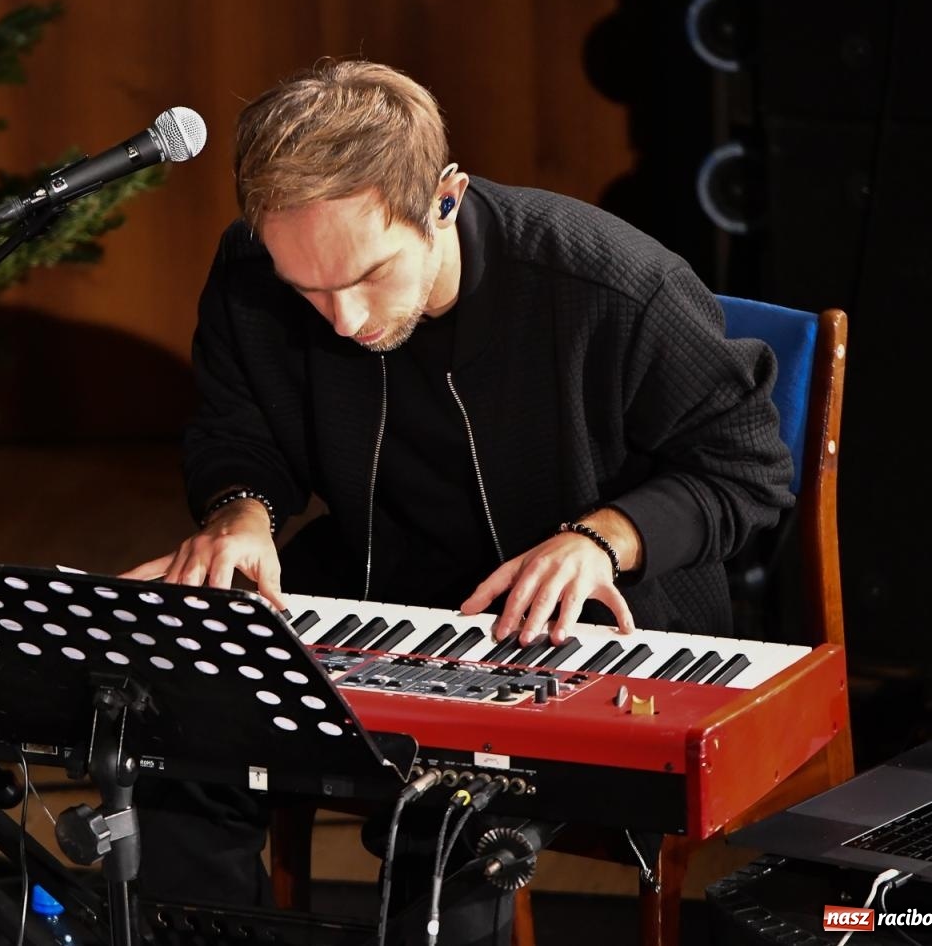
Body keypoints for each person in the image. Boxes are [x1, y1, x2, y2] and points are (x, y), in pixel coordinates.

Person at [120, 59, 795, 937]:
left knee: (444, 818)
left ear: (444, 197)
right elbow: (237, 430)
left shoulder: (613, 286)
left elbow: (747, 469)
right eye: (308, 290)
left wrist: (603, 536)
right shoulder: (254, 271)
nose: (345, 321)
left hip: (604, 623)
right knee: (174, 749)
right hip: (384, 593)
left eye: (368, 275)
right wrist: (242, 510)